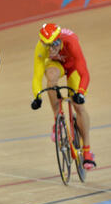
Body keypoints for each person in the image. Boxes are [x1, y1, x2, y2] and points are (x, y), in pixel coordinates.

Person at [30, 23, 96, 170]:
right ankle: (57, 122)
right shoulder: (41, 48)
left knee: (78, 106)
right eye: (47, 45)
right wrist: (37, 96)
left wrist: (81, 92)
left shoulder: (71, 42)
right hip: (55, 65)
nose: (51, 49)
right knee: (51, 79)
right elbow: (37, 75)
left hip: (72, 67)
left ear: (59, 40)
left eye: (54, 44)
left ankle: (87, 151)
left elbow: (84, 72)